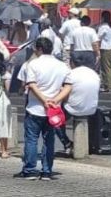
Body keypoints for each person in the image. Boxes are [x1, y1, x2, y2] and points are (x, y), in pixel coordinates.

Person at [17, 36, 69, 181]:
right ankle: (46, 171)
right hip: (53, 110)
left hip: (35, 108)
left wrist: (44, 100)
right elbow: (68, 85)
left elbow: (32, 85)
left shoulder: (33, 64)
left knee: (32, 139)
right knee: (49, 140)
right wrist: (55, 100)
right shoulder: (62, 66)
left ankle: (30, 169)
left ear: (38, 49)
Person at [52, 59, 100, 155]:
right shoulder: (94, 74)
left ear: (72, 63)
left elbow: (65, 95)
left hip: (73, 108)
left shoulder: (71, 74)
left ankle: (67, 143)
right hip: (91, 108)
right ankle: (89, 144)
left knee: (55, 121)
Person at [96, 12, 111, 91]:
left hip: (105, 48)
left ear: (103, 18)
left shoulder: (103, 27)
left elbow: (98, 38)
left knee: (105, 68)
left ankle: (107, 85)